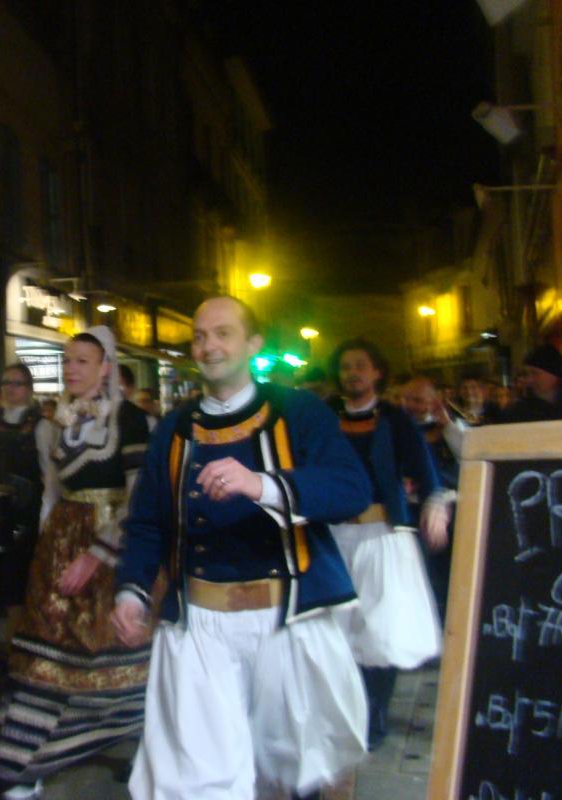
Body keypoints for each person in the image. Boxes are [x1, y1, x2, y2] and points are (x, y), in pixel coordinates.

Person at [112, 297, 373, 800]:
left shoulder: (298, 411)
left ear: (253, 344)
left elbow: (351, 489)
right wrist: (133, 591)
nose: (209, 347)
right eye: (200, 337)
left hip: (287, 620)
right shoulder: (173, 429)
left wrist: (263, 485)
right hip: (199, 627)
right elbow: (147, 521)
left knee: (293, 770)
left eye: (223, 334)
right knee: (198, 778)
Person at [0, 327, 151, 800]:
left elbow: (139, 498)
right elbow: (52, 489)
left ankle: (146, 745)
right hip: (61, 542)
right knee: (42, 657)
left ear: (106, 367)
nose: (72, 369)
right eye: (67, 361)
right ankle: (21, 765)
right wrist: (47, 544)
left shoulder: (131, 420)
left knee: (120, 660)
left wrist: (98, 554)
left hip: (112, 547)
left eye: (83, 360)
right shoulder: (57, 422)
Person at [327, 339, 447, 752]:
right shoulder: (326, 417)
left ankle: (374, 711)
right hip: (334, 538)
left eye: (360, 365)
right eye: (345, 366)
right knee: (334, 628)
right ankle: (342, 708)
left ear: (377, 372)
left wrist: (435, 504)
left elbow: (425, 470)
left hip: (382, 537)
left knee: (380, 629)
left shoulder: (395, 419)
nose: (352, 373)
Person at [0, 363, 59, 618]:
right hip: (0, 511)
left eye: (16, 383)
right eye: (6, 383)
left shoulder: (42, 426)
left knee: (23, 577)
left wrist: (47, 516)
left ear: (29, 389)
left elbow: (50, 476)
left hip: (29, 512)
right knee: (6, 580)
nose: (9, 389)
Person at [400, 375, 459, 621]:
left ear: (433, 401)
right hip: (410, 511)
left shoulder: (449, 427)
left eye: (419, 400)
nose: (412, 405)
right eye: (408, 399)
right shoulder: (396, 429)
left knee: (447, 572)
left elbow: (467, 456)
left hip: (449, 510)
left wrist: (447, 424)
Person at [500, 343, 562, 423]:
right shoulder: (517, 412)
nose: (529, 379)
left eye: (535, 373)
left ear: (554, 375)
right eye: (527, 373)